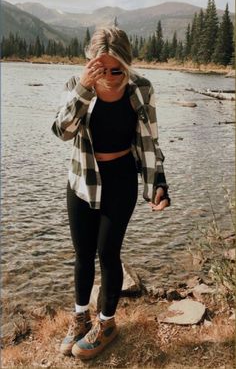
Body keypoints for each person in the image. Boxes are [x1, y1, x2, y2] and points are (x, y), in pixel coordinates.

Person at [51, 27, 171, 360]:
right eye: (100, 69)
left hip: (120, 179)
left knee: (108, 253)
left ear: (127, 65)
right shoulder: (76, 86)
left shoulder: (141, 90)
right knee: (82, 254)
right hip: (81, 179)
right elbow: (62, 131)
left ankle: (106, 324)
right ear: (89, 64)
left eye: (117, 69)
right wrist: (85, 90)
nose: (110, 76)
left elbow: (150, 142)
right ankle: (79, 319)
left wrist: (158, 184)